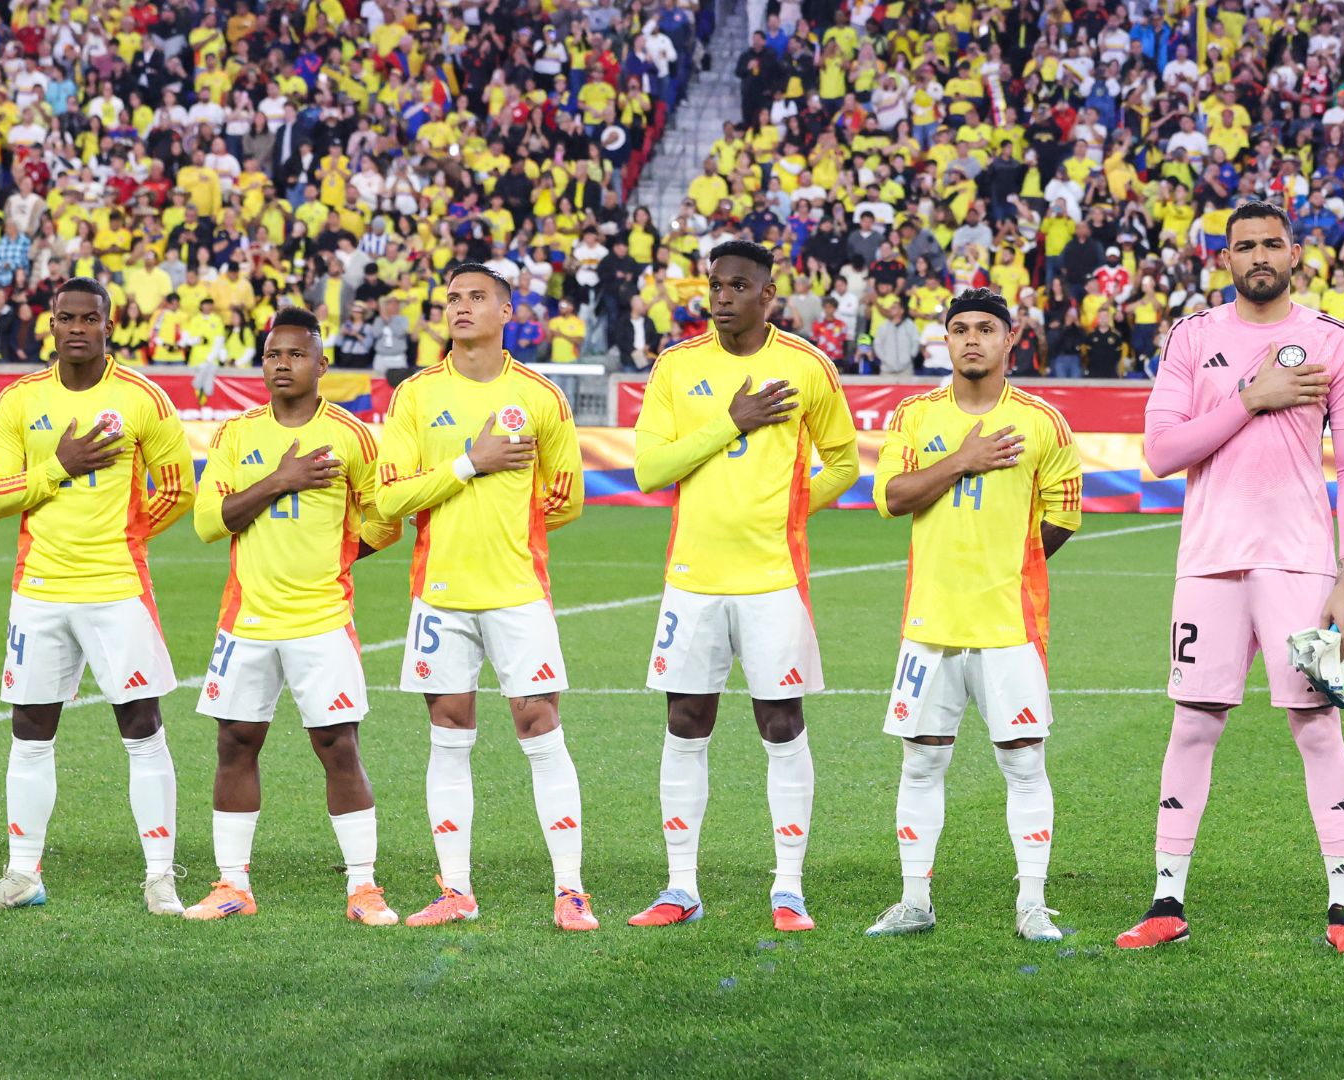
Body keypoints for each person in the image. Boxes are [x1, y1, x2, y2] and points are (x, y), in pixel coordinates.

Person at [1116, 201, 1344, 955]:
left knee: (1318, 722)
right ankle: (1167, 899)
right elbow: (1162, 453)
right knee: (1194, 721)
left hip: (1301, 561)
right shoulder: (1192, 338)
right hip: (1209, 559)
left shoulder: (1332, 342)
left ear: (1295, 253)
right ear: (1222, 258)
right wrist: (1249, 399)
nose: (1258, 255)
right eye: (1244, 246)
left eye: (1272, 244)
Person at [624, 240, 859, 929]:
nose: (722, 297)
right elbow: (649, 470)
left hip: (772, 580)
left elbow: (843, 462)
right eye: (715, 285)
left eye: (737, 286)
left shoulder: (806, 365)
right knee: (685, 722)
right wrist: (732, 421)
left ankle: (788, 887)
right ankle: (680, 887)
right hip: (692, 580)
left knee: (780, 723)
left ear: (768, 295)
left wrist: (789, 512)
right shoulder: (677, 366)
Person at [0, 277, 196, 914]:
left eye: (88, 319)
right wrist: (59, 466)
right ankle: (22, 874)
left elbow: (179, 490)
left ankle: (159, 877)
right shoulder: (19, 400)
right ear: (50, 324)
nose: (76, 329)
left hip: (117, 589)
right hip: (38, 590)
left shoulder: (143, 398)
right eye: (65, 318)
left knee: (142, 726)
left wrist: (123, 537)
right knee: (30, 731)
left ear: (107, 325)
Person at [373, 262, 590, 930]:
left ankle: (570, 891)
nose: (460, 307)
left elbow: (567, 498)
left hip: (518, 591)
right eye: (452, 298)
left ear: (505, 311)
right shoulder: (414, 396)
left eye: (475, 298)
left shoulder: (541, 396)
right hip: (439, 595)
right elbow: (389, 497)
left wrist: (505, 520)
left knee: (540, 728)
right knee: (448, 735)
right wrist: (472, 463)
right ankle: (455, 891)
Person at [864, 288, 1083, 941]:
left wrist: (1009, 571)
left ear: (1010, 339)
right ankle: (914, 901)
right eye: (959, 328)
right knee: (921, 763)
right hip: (929, 625)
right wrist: (962, 459)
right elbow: (891, 498)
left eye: (985, 328)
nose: (970, 340)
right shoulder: (914, 414)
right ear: (946, 339)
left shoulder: (1043, 422)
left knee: (1024, 763)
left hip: (1008, 626)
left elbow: (1064, 515)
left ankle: (1033, 904)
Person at [183, 307, 401, 925]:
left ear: (321, 365)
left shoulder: (354, 436)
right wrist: (280, 480)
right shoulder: (235, 434)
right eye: (273, 355)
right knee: (235, 743)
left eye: (296, 355)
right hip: (246, 619)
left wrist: (340, 555)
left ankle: (364, 889)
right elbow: (207, 523)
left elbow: (385, 518)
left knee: (337, 746)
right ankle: (232, 885)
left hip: (322, 620)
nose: (283, 364)